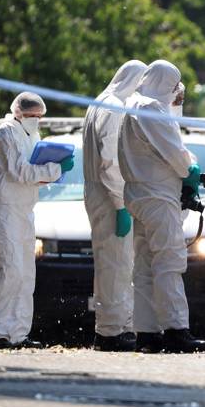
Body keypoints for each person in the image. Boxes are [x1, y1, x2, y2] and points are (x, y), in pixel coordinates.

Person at [118, 60, 205, 354]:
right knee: (169, 263)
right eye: (174, 88)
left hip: (138, 194)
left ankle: (147, 334)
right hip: (157, 197)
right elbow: (174, 152)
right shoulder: (151, 109)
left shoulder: (131, 105)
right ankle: (176, 330)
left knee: (145, 265)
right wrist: (190, 170)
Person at [0, 92, 74, 348]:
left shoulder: (32, 135)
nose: (36, 120)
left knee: (25, 275)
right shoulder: (5, 133)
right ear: (19, 112)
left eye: (39, 117)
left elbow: (33, 177)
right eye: (32, 115)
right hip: (4, 211)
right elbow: (19, 171)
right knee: (8, 271)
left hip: (24, 211)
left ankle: (18, 333)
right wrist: (55, 170)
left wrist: (54, 173)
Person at [83, 60, 146, 352]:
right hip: (111, 198)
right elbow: (110, 161)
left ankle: (115, 327)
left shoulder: (101, 102)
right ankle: (110, 332)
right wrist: (122, 204)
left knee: (115, 264)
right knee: (115, 266)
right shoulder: (112, 107)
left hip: (103, 196)